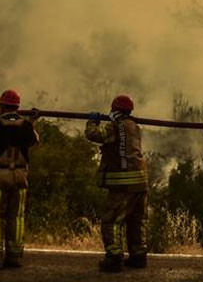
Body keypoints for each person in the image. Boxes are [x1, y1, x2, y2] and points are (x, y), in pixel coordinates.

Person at [0, 90, 40, 270]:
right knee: (17, 217)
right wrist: (32, 122)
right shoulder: (26, 126)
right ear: (18, 107)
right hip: (20, 177)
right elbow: (35, 141)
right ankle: (14, 257)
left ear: (1, 106)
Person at [85, 94, 149, 272]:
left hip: (123, 183)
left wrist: (92, 122)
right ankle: (138, 256)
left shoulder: (116, 126)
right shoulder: (135, 126)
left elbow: (93, 135)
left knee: (111, 220)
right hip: (141, 182)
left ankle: (114, 258)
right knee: (136, 221)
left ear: (114, 110)